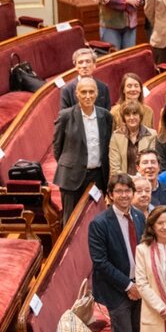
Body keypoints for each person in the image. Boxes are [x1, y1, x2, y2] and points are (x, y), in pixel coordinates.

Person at [88, 174, 146, 332]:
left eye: (127, 191)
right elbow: (100, 262)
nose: (124, 195)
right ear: (110, 195)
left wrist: (140, 284)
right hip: (116, 290)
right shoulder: (99, 223)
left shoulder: (139, 216)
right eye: (119, 191)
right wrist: (127, 286)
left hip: (138, 286)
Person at [54, 77, 113, 223]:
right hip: (71, 176)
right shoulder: (65, 116)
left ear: (97, 93)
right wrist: (71, 164)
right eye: (84, 92)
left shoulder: (105, 116)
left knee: (97, 217)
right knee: (71, 221)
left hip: (98, 176)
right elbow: (57, 147)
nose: (88, 96)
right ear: (77, 94)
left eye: (91, 92)